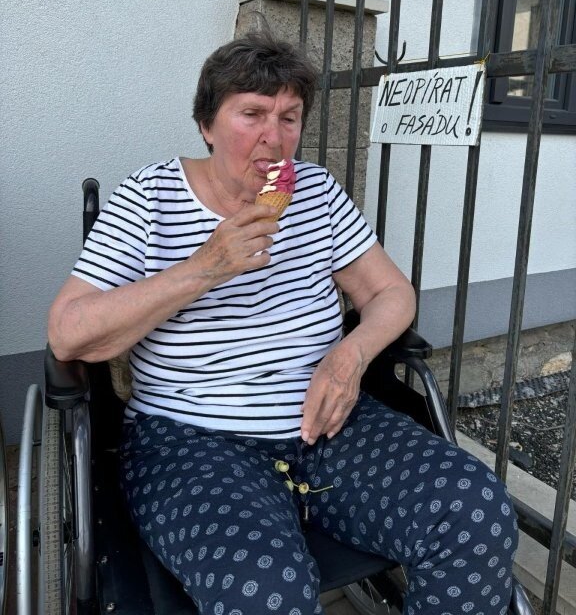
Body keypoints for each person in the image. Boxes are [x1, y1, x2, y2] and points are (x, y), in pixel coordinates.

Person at [49, 31, 518, 615]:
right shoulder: (150, 197)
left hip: (330, 424)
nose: (274, 137)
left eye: (289, 117)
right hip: (192, 440)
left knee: (475, 512)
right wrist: (205, 267)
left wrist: (351, 356)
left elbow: (391, 292)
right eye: (252, 114)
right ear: (207, 124)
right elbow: (68, 331)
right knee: (267, 593)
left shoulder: (316, 191)